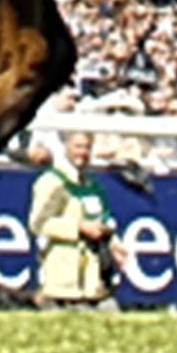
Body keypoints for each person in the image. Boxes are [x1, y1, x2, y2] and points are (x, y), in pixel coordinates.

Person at [28, 130, 123, 306]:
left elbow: (102, 219)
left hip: (94, 276)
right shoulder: (52, 182)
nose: (83, 153)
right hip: (63, 274)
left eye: (87, 147)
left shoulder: (92, 184)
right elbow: (38, 223)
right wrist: (78, 227)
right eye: (78, 147)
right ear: (66, 147)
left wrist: (114, 244)